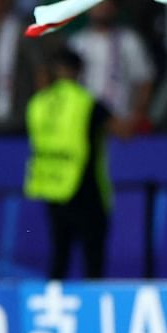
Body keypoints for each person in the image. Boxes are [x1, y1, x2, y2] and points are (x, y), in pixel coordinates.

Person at [25, 48, 118, 279]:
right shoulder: (86, 102)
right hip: (85, 188)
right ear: (78, 71)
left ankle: (54, 305)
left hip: (52, 187)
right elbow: (121, 130)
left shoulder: (38, 104)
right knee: (93, 259)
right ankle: (94, 309)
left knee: (59, 255)